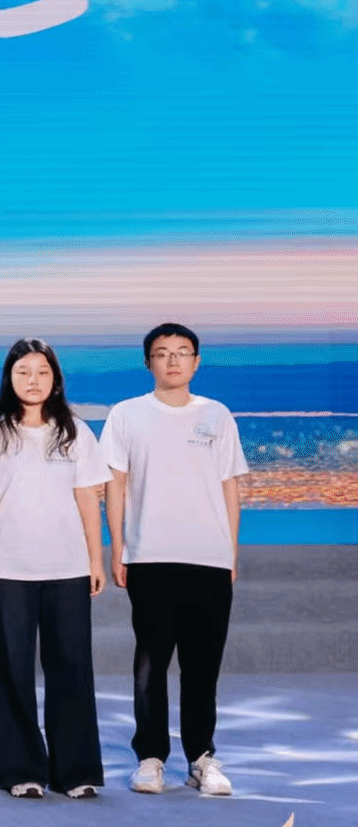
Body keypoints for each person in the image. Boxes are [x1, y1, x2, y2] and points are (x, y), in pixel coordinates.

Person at [101, 323, 249, 797]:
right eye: (162, 353)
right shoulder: (127, 414)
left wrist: (230, 552)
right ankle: (150, 758)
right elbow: (115, 484)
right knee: (151, 663)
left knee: (203, 666)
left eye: (182, 352)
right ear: (149, 362)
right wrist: (117, 547)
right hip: (150, 556)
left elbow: (229, 486)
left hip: (208, 558)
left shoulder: (217, 415)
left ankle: (201, 758)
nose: (173, 360)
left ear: (196, 362)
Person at [0, 339, 109, 800]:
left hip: (67, 568)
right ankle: (20, 769)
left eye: (42, 372)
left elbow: (88, 498)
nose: (33, 380)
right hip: (8, 569)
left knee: (72, 668)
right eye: (23, 372)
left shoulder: (76, 433)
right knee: (12, 671)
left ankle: (76, 770)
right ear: (9, 378)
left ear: (56, 379)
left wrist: (95, 559)